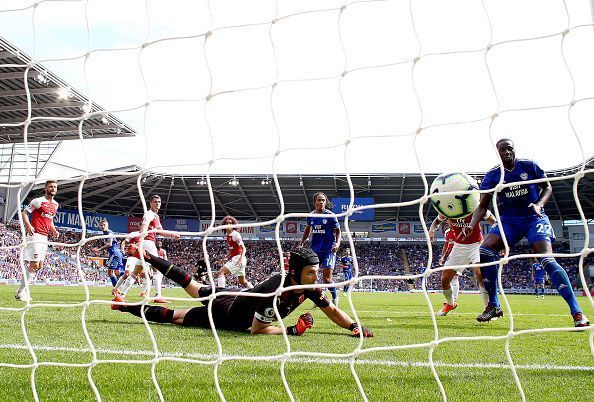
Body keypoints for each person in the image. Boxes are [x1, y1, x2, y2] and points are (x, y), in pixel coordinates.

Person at [461, 138, 589, 327]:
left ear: (514, 150)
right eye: (502, 150)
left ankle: (577, 312)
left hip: (533, 218)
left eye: (509, 149)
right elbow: (482, 206)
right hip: (508, 221)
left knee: (546, 259)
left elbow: (547, 187)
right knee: (485, 250)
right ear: (497, 153)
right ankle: (494, 305)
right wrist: (472, 224)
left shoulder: (529, 166)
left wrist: (539, 205)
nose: (506, 152)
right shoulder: (492, 176)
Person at [113, 246, 373, 338]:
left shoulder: (310, 287)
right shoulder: (279, 292)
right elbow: (257, 330)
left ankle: (127, 298)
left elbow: (333, 310)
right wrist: (292, 330)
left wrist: (353, 326)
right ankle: (145, 260)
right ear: (294, 273)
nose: (316, 277)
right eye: (310, 272)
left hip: (232, 294)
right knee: (178, 315)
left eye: (316, 271)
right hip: (227, 314)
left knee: (191, 289)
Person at [428, 209, 497, 317]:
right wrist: (431, 230)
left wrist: (497, 239)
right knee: (445, 280)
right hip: (459, 247)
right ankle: (451, 304)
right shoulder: (448, 207)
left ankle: (488, 308)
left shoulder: (474, 206)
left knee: (480, 274)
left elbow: (493, 220)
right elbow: (436, 221)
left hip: (477, 245)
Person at [113, 195, 179, 302]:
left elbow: (160, 231)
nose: (157, 203)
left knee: (136, 271)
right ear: (150, 203)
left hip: (145, 243)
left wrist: (172, 235)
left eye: (159, 202)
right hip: (148, 242)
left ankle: (122, 295)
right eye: (155, 202)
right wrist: (141, 240)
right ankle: (158, 296)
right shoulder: (149, 214)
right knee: (158, 269)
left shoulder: (156, 217)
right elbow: (144, 225)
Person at [16, 180, 59, 302]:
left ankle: (22, 291)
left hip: (44, 237)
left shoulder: (55, 205)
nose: (53, 188)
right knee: (34, 265)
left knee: (39, 266)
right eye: (50, 186)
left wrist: (54, 231)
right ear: (46, 188)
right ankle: (20, 292)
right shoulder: (38, 201)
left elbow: (49, 221)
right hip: (35, 235)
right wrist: (28, 225)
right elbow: (25, 213)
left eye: (55, 187)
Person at [299, 192, 341, 305]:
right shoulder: (311, 215)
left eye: (323, 200)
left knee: (327, 279)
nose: (321, 202)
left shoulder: (330, 215)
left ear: (325, 202)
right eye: (319, 200)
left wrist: (337, 244)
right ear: (315, 202)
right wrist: (302, 242)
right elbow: (308, 229)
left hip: (329, 250)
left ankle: (335, 297)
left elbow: (338, 231)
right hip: (315, 250)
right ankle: (319, 298)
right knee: (313, 277)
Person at [216, 216, 253, 289]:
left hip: (239, 258)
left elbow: (244, 249)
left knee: (220, 272)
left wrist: (240, 260)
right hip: (238, 259)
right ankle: (254, 291)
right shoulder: (228, 235)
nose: (228, 224)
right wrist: (226, 257)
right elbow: (233, 249)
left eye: (230, 223)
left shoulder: (235, 235)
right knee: (242, 282)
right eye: (227, 223)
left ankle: (220, 294)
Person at [91, 219, 124, 290]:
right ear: (99, 226)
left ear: (107, 225)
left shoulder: (109, 233)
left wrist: (98, 249)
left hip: (114, 254)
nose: (102, 226)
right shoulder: (106, 234)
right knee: (118, 273)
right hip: (117, 253)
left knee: (110, 273)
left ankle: (116, 290)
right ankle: (130, 275)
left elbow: (109, 244)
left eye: (104, 225)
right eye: (101, 225)